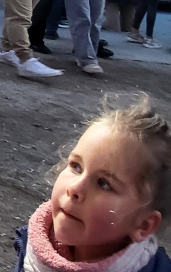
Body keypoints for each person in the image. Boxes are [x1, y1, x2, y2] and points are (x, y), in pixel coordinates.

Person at [13, 98, 171, 272]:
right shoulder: (36, 246)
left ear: (143, 225)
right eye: (76, 166)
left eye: (104, 184)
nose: (74, 188)